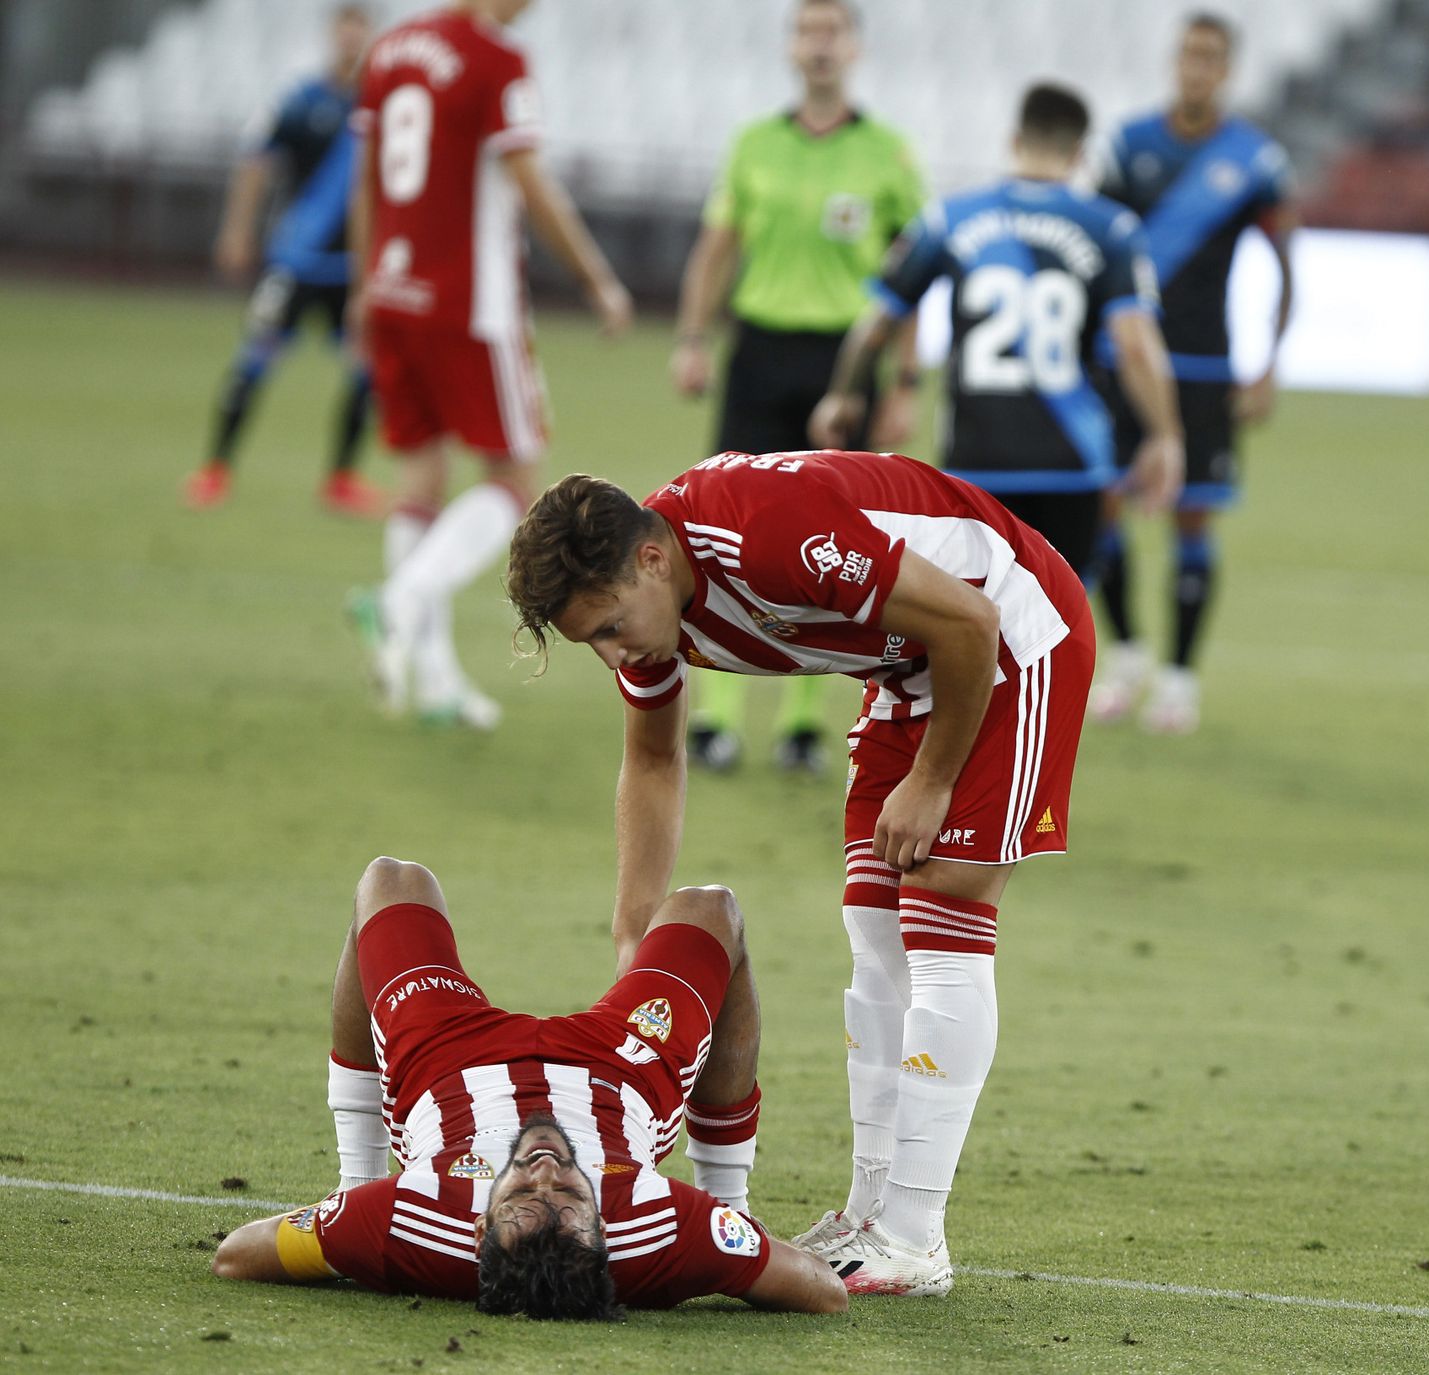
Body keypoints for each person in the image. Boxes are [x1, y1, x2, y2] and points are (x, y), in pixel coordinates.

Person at [506, 450, 1095, 1297]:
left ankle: (915, 1232)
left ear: (651, 559)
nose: (611, 654)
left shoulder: (763, 533)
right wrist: (635, 926)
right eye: (588, 640)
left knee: (942, 914)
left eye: (607, 627)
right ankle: (869, 1214)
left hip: (1009, 635)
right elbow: (654, 756)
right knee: (874, 929)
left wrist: (931, 780)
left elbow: (969, 619)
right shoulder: (652, 607)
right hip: (907, 671)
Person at [213, 856, 846, 1317]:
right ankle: (733, 1192)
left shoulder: (409, 1218)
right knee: (712, 908)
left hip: (448, 1060)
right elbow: (823, 1289)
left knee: (391, 882)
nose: (544, 1171)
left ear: (480, 1229)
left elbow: (237, 1255)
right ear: (603, 1232)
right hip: (618, 1067)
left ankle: (353, 1175)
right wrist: (730, 1233)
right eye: (571, 1199)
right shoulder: (661, 1231)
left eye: (519, 1198)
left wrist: (348, 1221)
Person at [345, 0, 633, 730]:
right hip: (471, 302)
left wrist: (363, 282)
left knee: (421, 475)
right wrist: (596, 276)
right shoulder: (496, 58)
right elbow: (530, 180)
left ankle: (433, 677)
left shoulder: (390, 49)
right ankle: (402, 595)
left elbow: (367, 178)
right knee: (513, 478)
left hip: (392, 287)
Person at [669, 0, 925, 775]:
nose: (819, 45)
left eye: (832, 32)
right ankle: (715, 715)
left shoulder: (888, 153)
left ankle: (807, 722)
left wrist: (906, 380)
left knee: (834, 540)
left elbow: (914, 275)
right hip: (759, 350)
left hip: (844, 362)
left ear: (854, 49)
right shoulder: (755, 144)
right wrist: (691, 336)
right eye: (807, 31)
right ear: (791, 46)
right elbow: (717, 248)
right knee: (722, 533)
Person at [811, 83, 1183, 578]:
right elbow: (1135, 345)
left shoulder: (950, 219)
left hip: (975, 459)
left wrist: (844, 393)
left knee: (972, 620)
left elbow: (877, 323)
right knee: (1059, 625)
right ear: (1078, 153)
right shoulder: (1111, 229)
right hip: (1072, 461)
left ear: (1014, 141)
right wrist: (1164, 434)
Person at [1090, 11, 1297, 734]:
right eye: (1188, 55)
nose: (1197, 68)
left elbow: (1284, 265)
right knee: (1105, 505)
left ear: (1227, 68)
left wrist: (1268, 363)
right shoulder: (1129, 146)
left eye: (1211, 57)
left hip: (1207, 363)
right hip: (1126, 357)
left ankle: (1179, 678)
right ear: (1176, 63)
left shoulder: (1254, 160)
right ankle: (1127, 655)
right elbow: (1101, 252)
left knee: (1193, 513)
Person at [184, 4, 386, 518]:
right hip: (297, 261)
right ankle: (216, 468)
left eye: (360, 28)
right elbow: (256, 162)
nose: (351, 37)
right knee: (253, 362)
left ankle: (341, 478)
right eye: (345, 26)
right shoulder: (300, 101)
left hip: (352, 269)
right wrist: (237, 230)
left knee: (368, 372)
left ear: (370, 37)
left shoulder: (379, 106)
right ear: (331, 34)